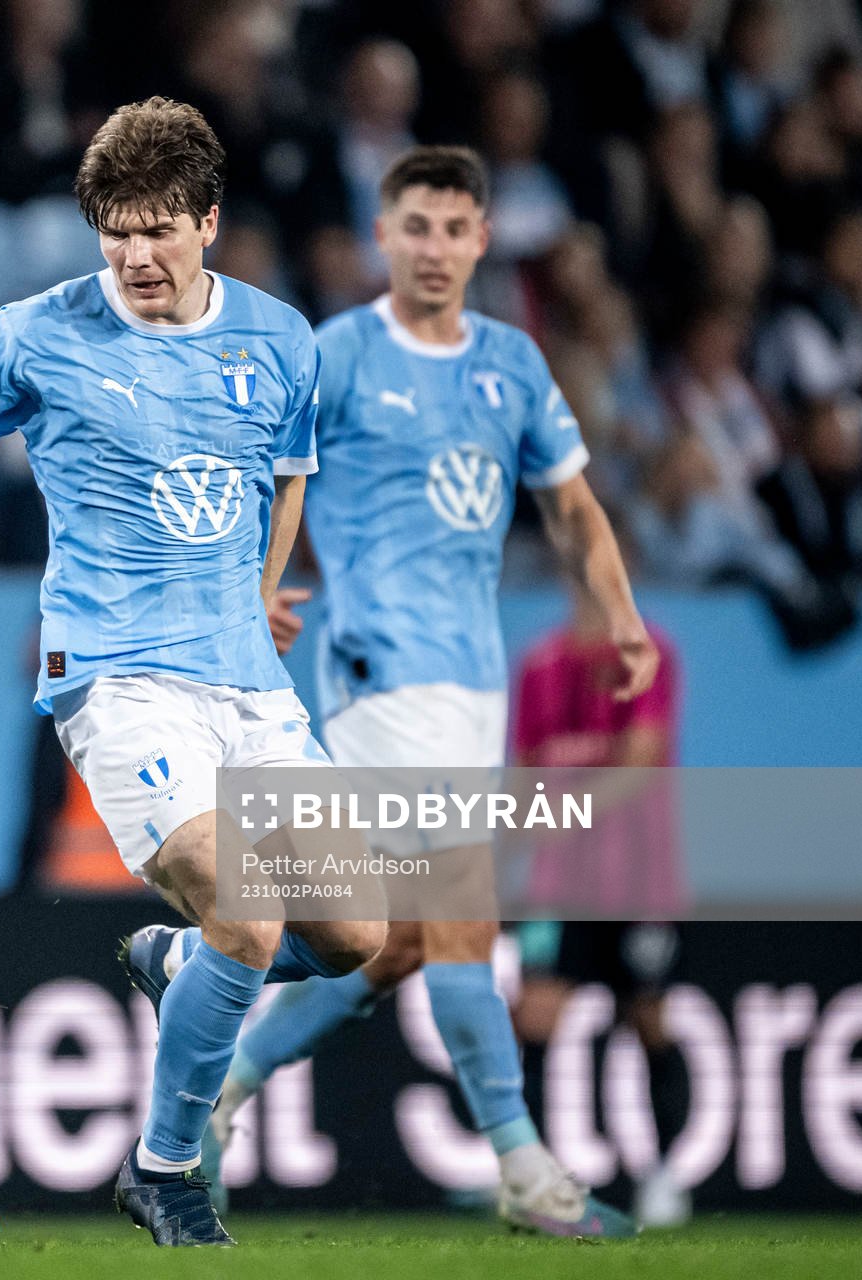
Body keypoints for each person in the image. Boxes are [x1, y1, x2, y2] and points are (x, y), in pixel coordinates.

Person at [0, 98, 386, 1247]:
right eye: (114, 231)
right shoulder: (36, 334)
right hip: (116, 674)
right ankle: (164, 1164)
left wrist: (255, 592)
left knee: (357, 934)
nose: (135, 256)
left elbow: (286, 475)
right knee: (249, 906)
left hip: (247, 682)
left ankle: (182, 964)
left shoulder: (282, 338)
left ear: (208, 221)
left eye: (157, 229)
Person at [181, 146, 657, 1237]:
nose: (436, 248)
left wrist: (621, 613)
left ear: (481, 241)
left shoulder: (513, 364)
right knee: (460, 921)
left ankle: (221, 1094)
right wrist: (256, 587)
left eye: (455, 229)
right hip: (379, 669)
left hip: (471, 677)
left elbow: (574, 508)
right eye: (417, 228)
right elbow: (250, 470)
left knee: (393, 941)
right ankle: (527, 1168)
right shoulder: (338, 354)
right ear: (384, 237)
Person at [512, 583, 691, 1230]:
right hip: (558, 885)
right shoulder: (538, 665)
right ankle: (529, 1174)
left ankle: (665, 1175)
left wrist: (563, 810)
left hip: (639, 882)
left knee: (647, 1020)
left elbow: (642, 760)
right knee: (532, 1018)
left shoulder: (648, 654)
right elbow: (524, 771)